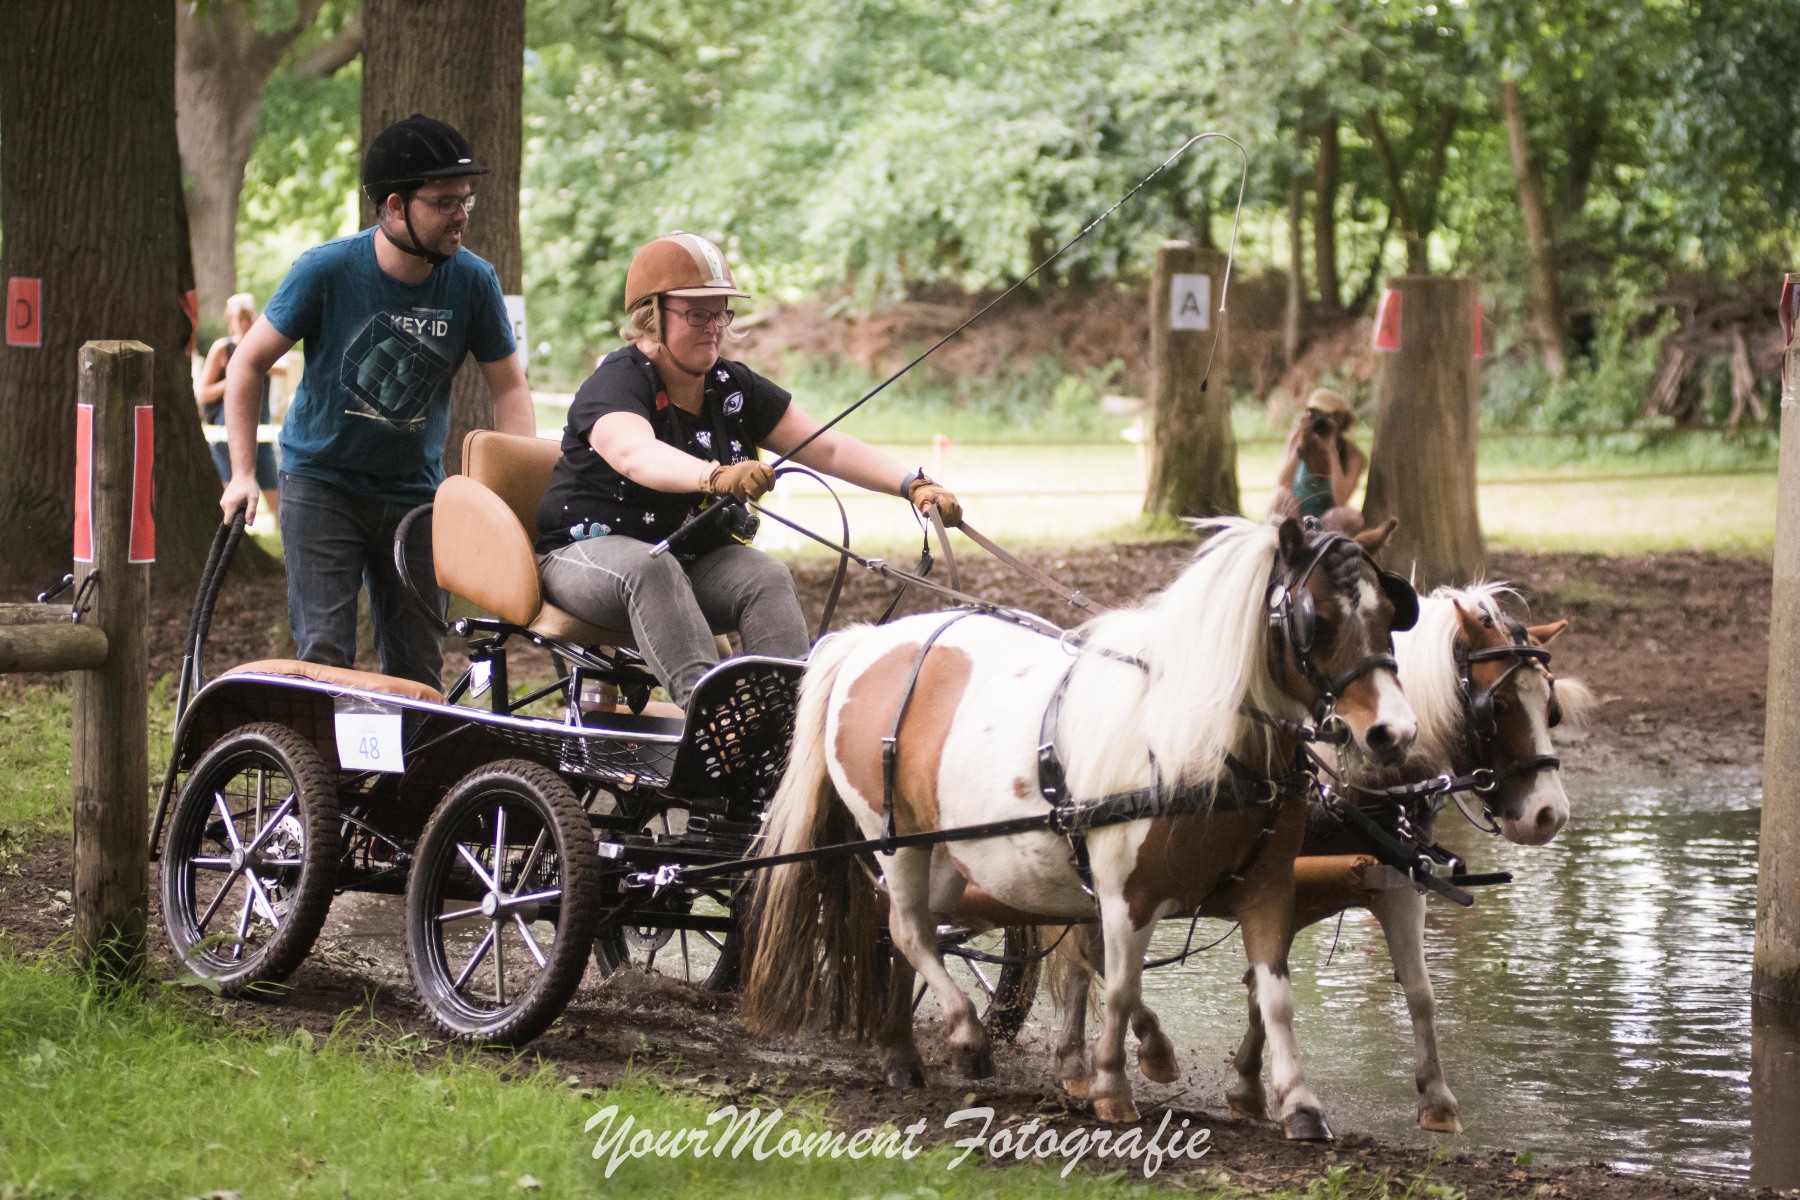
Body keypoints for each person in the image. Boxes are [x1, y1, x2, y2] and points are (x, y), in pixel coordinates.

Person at [536, 232, 961, 708]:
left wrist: (912, 485)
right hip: (584, 555)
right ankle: (714, 717)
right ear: (651, 315)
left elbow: (828, 447)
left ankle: (784, 721)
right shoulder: (617, 381)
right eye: (697, 314)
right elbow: (635, 453)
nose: (713, 328)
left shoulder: (731, 387)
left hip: (684, 560)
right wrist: (715, 475)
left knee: (765, 575)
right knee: (649, 567)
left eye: (721, 314)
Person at [220, 114, 533, 689]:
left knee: (419, 669)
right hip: (322, 485)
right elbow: (247, 363)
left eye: (466, 199)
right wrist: (242, 474)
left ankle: (408, 754)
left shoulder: (473, 281)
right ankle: (322, 753)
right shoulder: (327, 270)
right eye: (444, 202)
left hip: (415, 494)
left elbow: (509, 387)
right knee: (325, 656)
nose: (461, 214)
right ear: (394, 206)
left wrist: (511, 495)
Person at [196, 292, 283, 519]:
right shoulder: (222, 349)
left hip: (261, 432)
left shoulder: (263, 346)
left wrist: (254, 364)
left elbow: (283, 368)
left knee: (276, 500)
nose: (245, 323)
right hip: (228, 435)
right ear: (231, 320)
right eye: (240, 318)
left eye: (249, 317)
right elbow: (203, 392)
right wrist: (235, 380)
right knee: (231, 502)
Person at [1271, 387, 1366, 535]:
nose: (1318, 421)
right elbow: (1283, 483)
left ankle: (1325, 545)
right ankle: (1282, 544)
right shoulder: (1297, 439)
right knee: (1280, 496)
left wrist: (1332, 452)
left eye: (1324, 416)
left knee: (1352, 518)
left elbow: (1341, 500)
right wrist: (1300, 448)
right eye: (1313, 415)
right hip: (1295, 516)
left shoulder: (1353, 455)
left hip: (1327, 521)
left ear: (1340, 420)